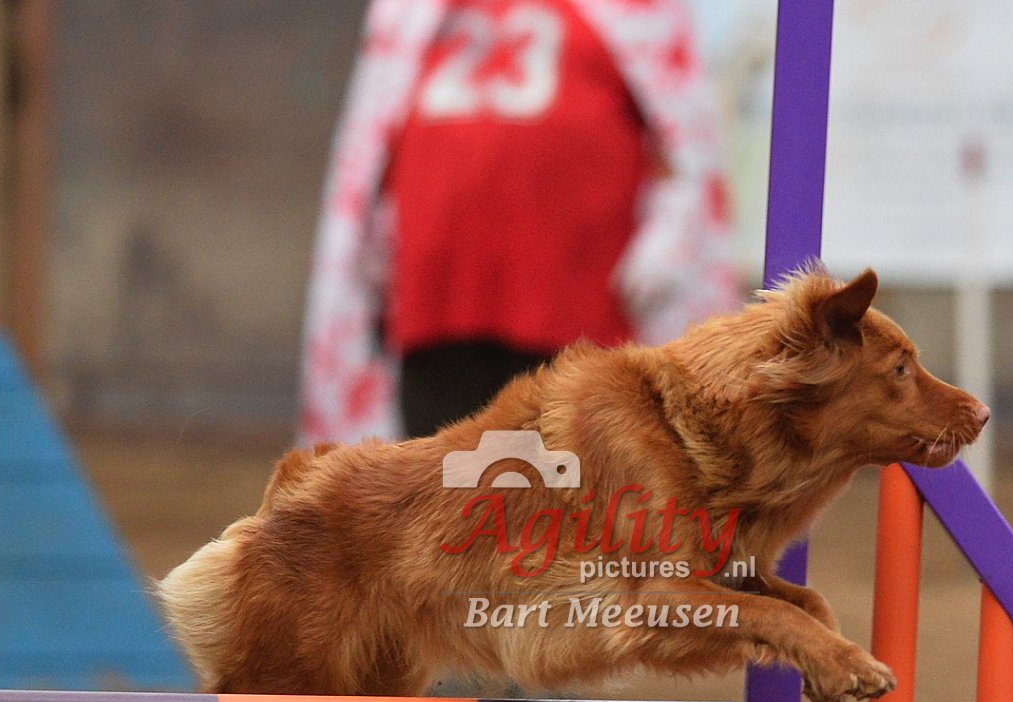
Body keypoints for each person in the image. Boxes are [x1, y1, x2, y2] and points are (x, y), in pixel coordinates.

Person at [298, 0, 742, 442]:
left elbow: (681, 139)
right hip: (434, 308)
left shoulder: (638, 12)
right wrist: (372, 236)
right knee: (444, 471)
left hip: (576, 314)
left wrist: (676, 226)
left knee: (563, 473)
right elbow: (373, 135)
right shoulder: (413, 12)